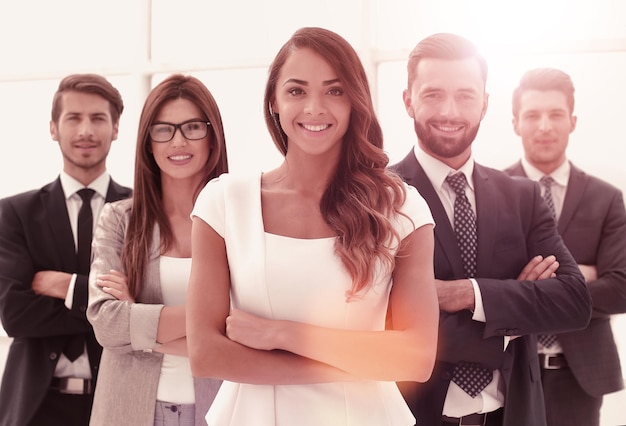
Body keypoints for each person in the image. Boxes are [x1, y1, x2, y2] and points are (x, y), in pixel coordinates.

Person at [186, 27, 439, 426]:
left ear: (355, 101)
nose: (315, 108)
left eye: (334, 91)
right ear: (274, 101)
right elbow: (206, 354)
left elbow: (416, 357)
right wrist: (354, 364)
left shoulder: (401, 208)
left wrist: (282, 334)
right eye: (297, 91)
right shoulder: (223, 202)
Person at [390, 33, 593, 426]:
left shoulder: (523, 197)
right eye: (433, 94)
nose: (450, 110)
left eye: (466, 95)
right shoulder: (379, 197)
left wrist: (466, 293)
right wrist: (511, 322)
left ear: (484, 104)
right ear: (408, 100)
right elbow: (382, 319)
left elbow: (574, 301)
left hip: (513, 415)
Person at [86, 74, 228, 426]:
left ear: (213, 137)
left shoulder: (237, 222)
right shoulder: (118, 219)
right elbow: (106, 322)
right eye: (163, 129)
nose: (178, 141)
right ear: (148, 142)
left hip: (219, 409)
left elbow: (248, 328)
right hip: (129, 408)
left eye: (193, 127)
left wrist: (140, 318)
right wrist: (210, 322)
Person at [0, 74, 131, 426]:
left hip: (118, 401)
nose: (85, 130)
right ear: (54, 128)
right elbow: (15, 314)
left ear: (116, 128)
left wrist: (66, 287)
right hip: (36, 407)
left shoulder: (141, 211)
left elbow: (144, 306)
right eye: (73, 118)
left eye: (98, 118)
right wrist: (109, 308)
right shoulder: (15, 213)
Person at [503, 67, 626, 426]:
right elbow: (486, 283)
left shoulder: (606, 199)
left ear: (572, 121)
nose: (544, 126)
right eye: (532, 115)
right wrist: (579, 278)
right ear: (515, 123)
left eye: (556, 114)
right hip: (509, 371)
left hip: (581, 376)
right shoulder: (491, 193)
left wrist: (532, 287)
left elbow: (621, 290)